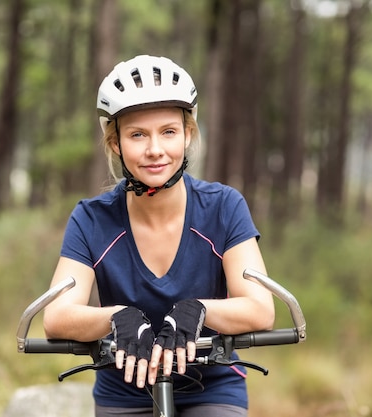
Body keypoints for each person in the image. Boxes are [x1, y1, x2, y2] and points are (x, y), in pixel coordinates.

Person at [43, 55, 275, 417]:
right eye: (137, 135)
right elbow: (56, 317)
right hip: (123, 391)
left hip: (212, 387)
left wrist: (197, 310)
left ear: (187, 135)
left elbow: (261, 309)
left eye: (168, 131)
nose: (155, 149)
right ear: (116, 143)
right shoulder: (91, 218)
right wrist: (118, 316)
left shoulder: (224, 207)